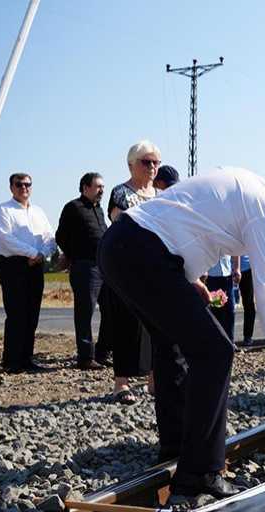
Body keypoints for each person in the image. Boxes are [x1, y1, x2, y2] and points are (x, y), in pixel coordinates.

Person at [99, 167, 265, 497]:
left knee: (174, 345)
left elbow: (187, 223)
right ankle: (200, 473)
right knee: (216, 351)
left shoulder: (257, 191)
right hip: (141, 249)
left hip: (125, 245)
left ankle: (176, 449)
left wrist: (189, 278)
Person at [105, 141, 161, 404]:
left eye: (155, 162)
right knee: (126, 325)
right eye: (146, 162)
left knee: (156, 325)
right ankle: (121, 383)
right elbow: (120, 226)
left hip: (155, 268)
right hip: (127, 267)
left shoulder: (161, 194)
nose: (151, 167)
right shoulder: (120, 193)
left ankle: (154, 380)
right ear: (132, 164)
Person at [0, 173, 56, 373]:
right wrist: (33, 252)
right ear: (11, 187)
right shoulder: (4, 210)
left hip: (36, 266)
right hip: (14, 266)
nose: (24, 188)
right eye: (19, 184)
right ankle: (12, 361)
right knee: (16, 314)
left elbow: (49, 237)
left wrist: (42, 254)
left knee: (32, 314)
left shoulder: (38, 211)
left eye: (28, 184)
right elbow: (6, 239)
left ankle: (27, 359)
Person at [55, 173, 108, 369]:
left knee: (110, 310)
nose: (102, 190)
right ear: (85, 187)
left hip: (104, 267)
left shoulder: (99, 210)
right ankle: (85, 357)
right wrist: (73, 254)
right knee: (85, 313)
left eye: (103, 187)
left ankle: (102, 353)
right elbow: (61, 236)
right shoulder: (73, 208)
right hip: (85, 267)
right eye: (98, 186)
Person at [205, 256, 240, 342]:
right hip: (212, 277)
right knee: (217, 310)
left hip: (227, 276)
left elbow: (235, 251)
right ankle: (220, 342)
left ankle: (230, 341)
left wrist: (237, 268)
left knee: (230, 310)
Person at [237, 255, 257, 346]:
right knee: (223, 306)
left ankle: (248, 336)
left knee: (248, 304)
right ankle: (225, 337)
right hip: (227, 270)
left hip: (246, 269)